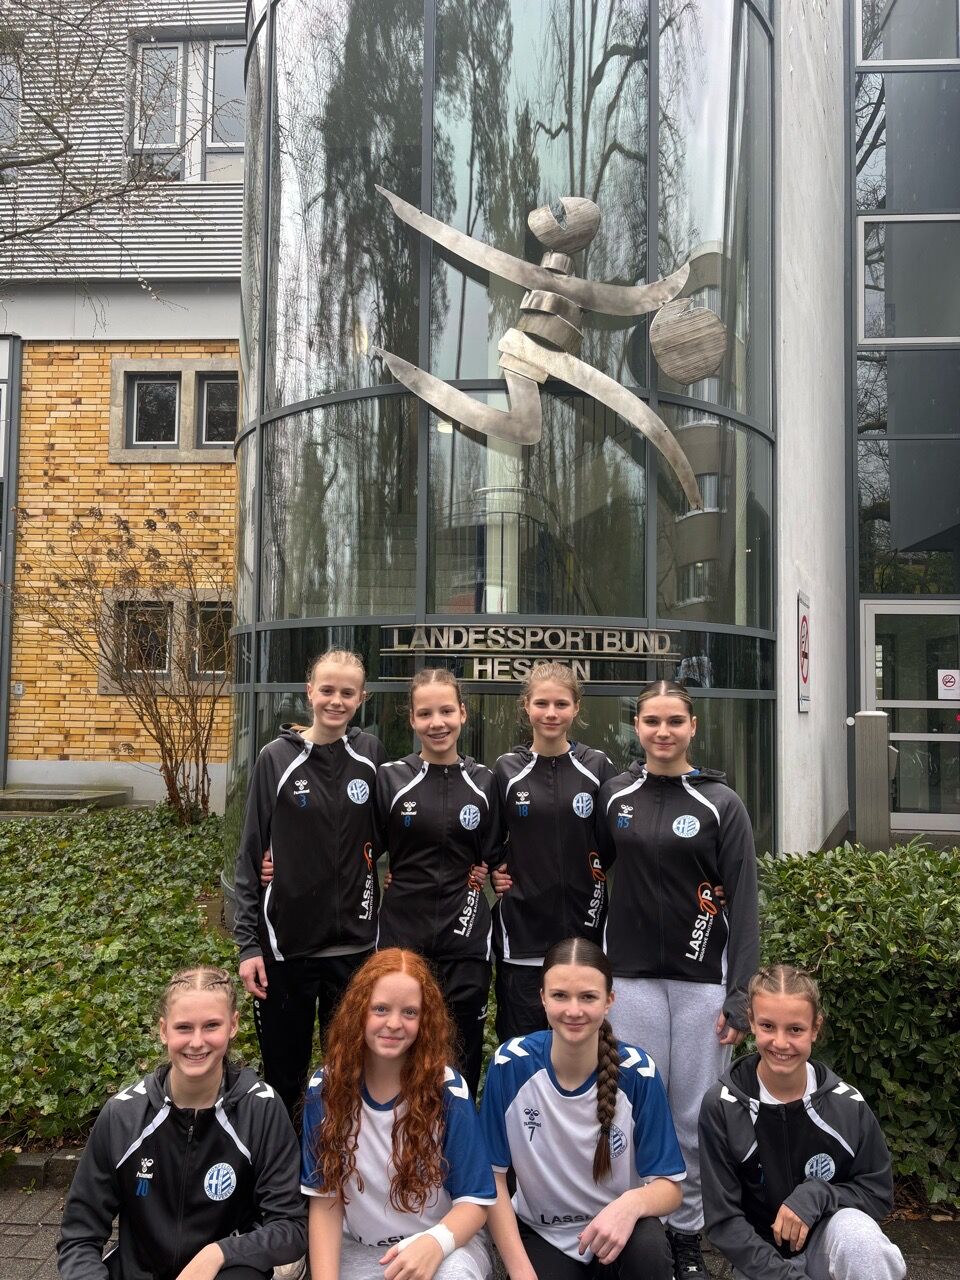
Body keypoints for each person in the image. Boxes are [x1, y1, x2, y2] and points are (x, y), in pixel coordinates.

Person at [596, 679, 759, 1280]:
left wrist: (740, 995)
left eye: (674, 721)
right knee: (633, 1111)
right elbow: (591, 874)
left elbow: (744, 901)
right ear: (636, 726)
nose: (662, 732)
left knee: (691, 1117)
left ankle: (687, 1238)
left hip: (702, 982)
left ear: (693, 727)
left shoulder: (722, 802)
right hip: (629, 979)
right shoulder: (615, 796)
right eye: (651, 721)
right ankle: (638, 1233)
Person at [57, 965, 305, 1280]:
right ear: (164, 1031)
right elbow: (79, 1236)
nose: (197, 1042)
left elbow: (290, 1228)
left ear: (233, 1025)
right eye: (184, 1028)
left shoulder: (261, 1109)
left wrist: (218, 1253)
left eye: (211, 1025)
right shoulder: (123, 1115)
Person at [233, 649, 385, 1122]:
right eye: (327, 690)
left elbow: (386, 832)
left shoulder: (370, 754)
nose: (336, 701)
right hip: (286, 949)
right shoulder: (275, 758)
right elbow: (250, 850)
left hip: (354, 948)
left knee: (349, 1075)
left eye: (347, 692)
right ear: (309, 692)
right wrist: (248, 945)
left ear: (361, 698)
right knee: (285, 1080)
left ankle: (339, 1162)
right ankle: (284, 1168)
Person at [479, 936, 684, 1279]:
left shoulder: (638, 1072)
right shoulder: (510, 1065)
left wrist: (631, 1204)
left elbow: (670, 1187)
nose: (573, 1010)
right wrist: (521, 1272)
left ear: (609, 1001)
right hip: (545, 1233)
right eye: (560, 995)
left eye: (588, 997)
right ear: (542, 998)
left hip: (619, 1232)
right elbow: (492, 1176)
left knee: (649, 1251)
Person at [698, 965, 907, 1280]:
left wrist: (817, 1195)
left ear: (815, 1028)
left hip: (825, 1242)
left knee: (861, 1240)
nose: (780, 1043)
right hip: (761, 1262)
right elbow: (723, 1222)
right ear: (751, 1021)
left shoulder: (847, 1104)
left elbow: (877, 1192)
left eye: (795, 1029)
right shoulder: (721, 1106)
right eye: (768, 1026)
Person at [300, 948, 496, 1280]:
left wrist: (435, 1243)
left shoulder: (447, 1090)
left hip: (443, 1244)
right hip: (360, 1250)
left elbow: (475, 1203)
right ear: (359, 1011)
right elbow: (325, 1203)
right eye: (380, 1009)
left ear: (425, 1020)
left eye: (409, 1012)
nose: (394, 1023)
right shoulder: (326, 1089)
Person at [375, 668, 500, 1094]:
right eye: (425, 713)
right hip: (402, 940)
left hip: (466, 940)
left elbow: (500, 853)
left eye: (446, 711)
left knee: (461, 1058)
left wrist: (496, 874)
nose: (437, 723)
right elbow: (358, 848)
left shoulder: (484, 782)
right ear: (412, 718)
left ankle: (456, 1131)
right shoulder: (390, 778)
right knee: (399, 1051)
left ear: (463, 713)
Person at [490, 662, 617, 1042]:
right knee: (522, 1050)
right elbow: (488, 840)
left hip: (586, 934)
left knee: (584, 1050)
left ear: (576, 707)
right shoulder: (506, 770)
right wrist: (494, 869)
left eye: (561, 704)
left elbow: (621, 841)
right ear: (526, 706)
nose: (551, 713)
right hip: (522, 938)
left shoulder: (597, 767)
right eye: (541, 703)